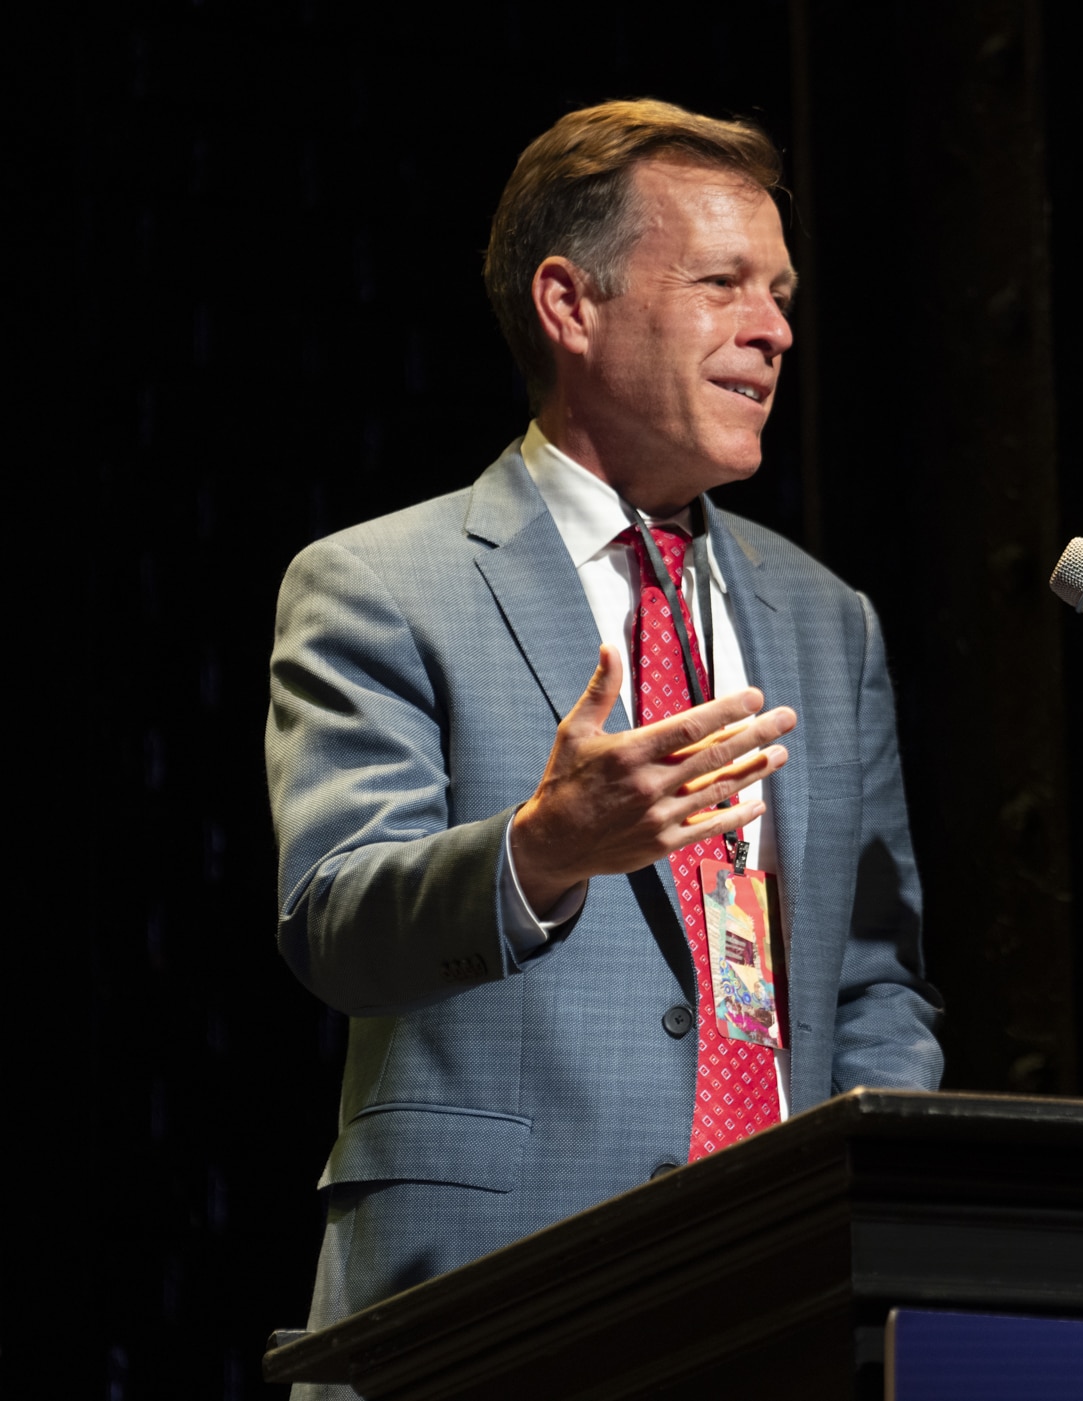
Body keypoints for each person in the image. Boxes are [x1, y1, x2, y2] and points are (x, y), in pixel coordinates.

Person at [264, 99, 943, 1379]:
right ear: (570, 306)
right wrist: (541, 851)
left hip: (783, 1311)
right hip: (487, 1311)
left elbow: (873, 980)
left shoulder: (827, 619)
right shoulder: (379, 584)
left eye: (781, 294)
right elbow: (336, 925)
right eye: (723, 285)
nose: (775, 331)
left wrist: (870, 1211)